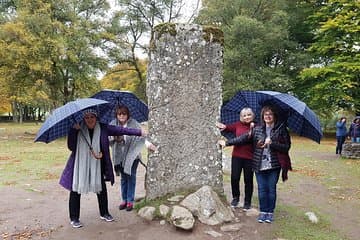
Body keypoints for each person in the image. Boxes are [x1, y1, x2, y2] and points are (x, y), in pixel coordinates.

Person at [59, 108, 146, 228]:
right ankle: (74, 218)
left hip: (97, 164)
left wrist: (139, 132)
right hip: (80, 165)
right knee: (75, 190)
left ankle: (104, 213)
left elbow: (121, 129)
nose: (90, 119)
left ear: (96, 118)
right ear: (84, 118)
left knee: (101, 189)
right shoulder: (77, 128)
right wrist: (74, 130)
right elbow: (71, 146)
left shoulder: (103, 128)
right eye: (87, 117)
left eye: (92, 117)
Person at [219, 105, 291, 223]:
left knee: (271, 189)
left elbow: (286, 148)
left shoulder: (281, 130)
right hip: (259, 164)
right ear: (262, 116)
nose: (268, 116)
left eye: (270, 114)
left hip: (274, 165)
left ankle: (270, 212)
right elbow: (243, 138)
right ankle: (263, 212)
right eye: (265, 114)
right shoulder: (258, 129)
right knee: (262, 189)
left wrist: (272, 143)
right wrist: (227, 143)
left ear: (274, 116)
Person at [110, 105, 156, 212]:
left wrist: (148, 144)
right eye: (119, 114)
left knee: (131, 177)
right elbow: (108, 139)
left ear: (127, 115)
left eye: (124, 114)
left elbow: (141, 135)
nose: (121, 116)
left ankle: (130, 200)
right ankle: (124, 200)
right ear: (116, 115)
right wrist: (116, 138)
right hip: (119, 157)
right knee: (123, 178)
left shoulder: (134, 123)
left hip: (132, 156)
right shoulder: (113, 124)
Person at [216, 107, 255, 210]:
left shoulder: (256, 126)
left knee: (248, 180)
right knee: (234, 178)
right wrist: (223, 126)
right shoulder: (238, 124)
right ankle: (235, 198)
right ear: (241, 117)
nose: (247, 117)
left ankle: (247, 202)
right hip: (237, 156)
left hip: (250, 158)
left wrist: (252, 130)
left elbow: (244, 139)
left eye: (249, 114)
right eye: (244, 115)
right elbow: (228, 128)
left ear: (253, 115)